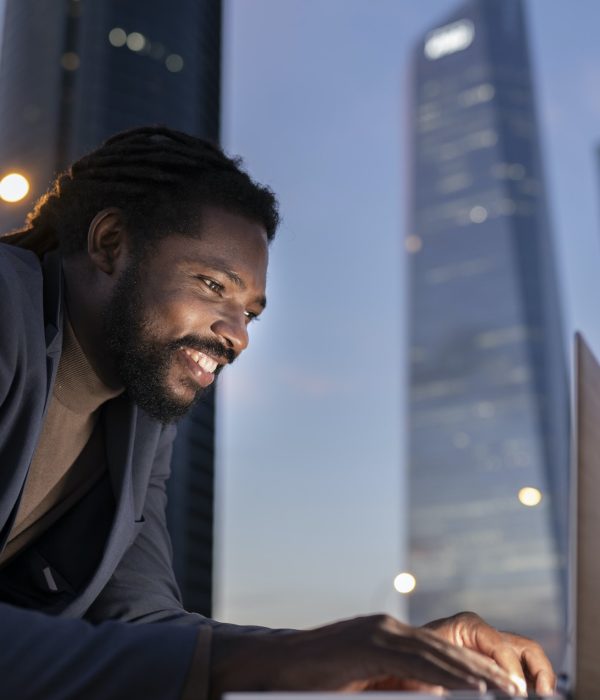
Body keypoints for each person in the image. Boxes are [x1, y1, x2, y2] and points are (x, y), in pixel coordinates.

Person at [0, 126, 555, 699]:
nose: (237, 337)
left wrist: (384, 654)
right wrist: (276, 660)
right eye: (212, 285)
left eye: (251, 314)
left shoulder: (141, 420)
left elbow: (140, 624)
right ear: (111, 243)